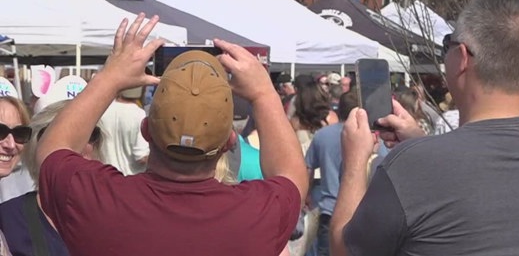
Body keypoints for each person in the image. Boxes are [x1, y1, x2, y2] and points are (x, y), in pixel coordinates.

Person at [330, 0, 519, 256]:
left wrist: (354, 162)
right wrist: (422, 144)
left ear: (463, 57)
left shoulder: (411, 164)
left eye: (448, 44)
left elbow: (344, 250)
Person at [35, 15, 307, 256]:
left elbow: (53, 150)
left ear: (145, 131)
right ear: (230, 141)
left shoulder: (95, 201)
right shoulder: (257, 215)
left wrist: (111, 77)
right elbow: (291, 174)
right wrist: (264, 94)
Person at [0, 101, 105, 256]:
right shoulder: (8, 218)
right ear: (37, 145)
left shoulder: (116, 216)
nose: (10, 144)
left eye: (90, 134)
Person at [305, 91, 360, 256]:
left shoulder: (323, 135)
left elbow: (307, 167)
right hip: (360, 209)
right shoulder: (367, 136)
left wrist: (306, 196)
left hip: (330, 210)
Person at [97, 86, 148, 176]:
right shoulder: (139, 114)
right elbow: (141, 156)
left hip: (105, 175)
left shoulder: (104, 110)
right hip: (129, 178)